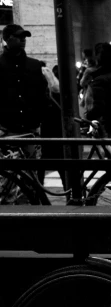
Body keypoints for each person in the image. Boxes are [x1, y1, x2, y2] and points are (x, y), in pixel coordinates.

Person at [0, 24, 48, 196]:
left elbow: (43, 95)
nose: (23, 40)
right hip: (6, 130)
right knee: (7, 179)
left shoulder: (34, 66)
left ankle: (31, 210)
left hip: (30, 130)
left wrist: (39, 119)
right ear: (6, 39)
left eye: (24, 37)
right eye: (18, 36)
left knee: (32, 179)